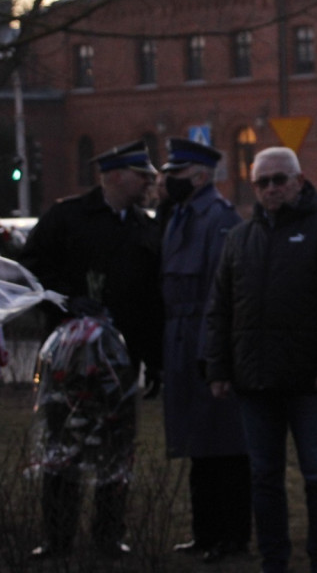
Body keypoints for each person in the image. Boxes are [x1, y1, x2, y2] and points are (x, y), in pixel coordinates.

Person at [204, 146, 317, 573]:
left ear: (297, 181)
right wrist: (218, 368)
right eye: (263, 182)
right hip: (255, 383)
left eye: (279, 179)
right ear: (254, 186)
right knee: (264, 478)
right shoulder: (240, 238)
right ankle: (274, 560)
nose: (272, 188)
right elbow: (220, 308)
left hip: (312, 383)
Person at [20, 139, 164, 559]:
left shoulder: (143, 226)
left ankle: (109, 533)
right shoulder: (67, 218)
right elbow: (31, 269)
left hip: (120, 363)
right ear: (115, 176)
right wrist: (65, 298)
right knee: (63, 446)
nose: (150, 184)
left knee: (115, 449)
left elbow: (151, 297)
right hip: (69, 359)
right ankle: (58, 536)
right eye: (144, 176)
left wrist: (153, 359)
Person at [159, 138, 251, 563]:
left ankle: (230, 534)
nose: (165, 181)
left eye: (174, 174)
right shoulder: (181, 215)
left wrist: (214, 357)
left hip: (205, 339)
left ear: (198, 176)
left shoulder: (218, 219)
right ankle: (205, 531)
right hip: (180, 338)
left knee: (224, 446)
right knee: (197, 443)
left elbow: (223, 293)